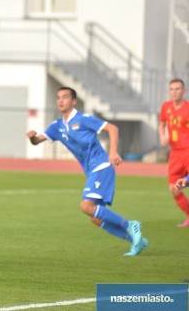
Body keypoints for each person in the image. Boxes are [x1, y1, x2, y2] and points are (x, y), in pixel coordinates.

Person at [26, 86, 147, 256]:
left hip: (102, 166)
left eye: (65, 97)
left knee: (86, 206)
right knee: (96, 218)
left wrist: (112, 152)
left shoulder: (83, 119)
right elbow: (37, 141)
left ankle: (130, 225)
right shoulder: (57, 126)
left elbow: (113, 128)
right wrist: (32, 136)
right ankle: (136, 241)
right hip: (92, 171)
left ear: (74, 101)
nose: (60, 100)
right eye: (58, 97)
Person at [158, 78, 189, 227]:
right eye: (172, 89)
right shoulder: (166, 106)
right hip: (175, 154)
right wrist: (163, 136)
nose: (174, 92)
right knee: (173, 188)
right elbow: (162, 124)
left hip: (188, 151)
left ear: (184, 91)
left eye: (177, 89)